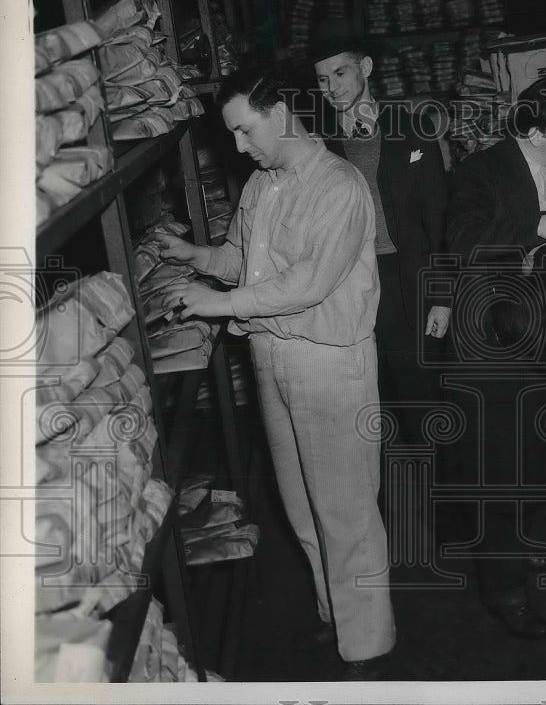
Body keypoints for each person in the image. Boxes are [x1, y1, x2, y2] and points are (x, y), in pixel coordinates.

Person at [153, 63, 394, 680]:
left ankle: (368, 647)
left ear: (282, 115)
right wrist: (198, 257)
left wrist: (221, 303)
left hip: (328, 363)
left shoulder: (339, 186)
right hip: (273, 358)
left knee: (346, 512)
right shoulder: (265, 183)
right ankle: (333, 614)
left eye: (245, 131)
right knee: (300, 508)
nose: (239, 147)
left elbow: (308, 283)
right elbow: (243, 259)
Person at [444, 74, 546, 639]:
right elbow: (462, 240)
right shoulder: (480, 171)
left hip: (534, 339)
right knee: (495, 470)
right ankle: (503, 591)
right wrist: (538, 226)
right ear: (532, 133)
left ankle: (522, 548)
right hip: (487, 346)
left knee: (533, 453)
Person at [309, 19, 452, 505]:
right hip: (346, 283)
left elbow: (439, 220)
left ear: (366, 69)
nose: (331, 88)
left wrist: (441, 298)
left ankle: (444, 507)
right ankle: (377, 508)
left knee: (419, 398)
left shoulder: (411, 129)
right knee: (359, 399)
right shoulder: (315, 144)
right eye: (322, 80)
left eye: (341, 75)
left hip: (404, 282)